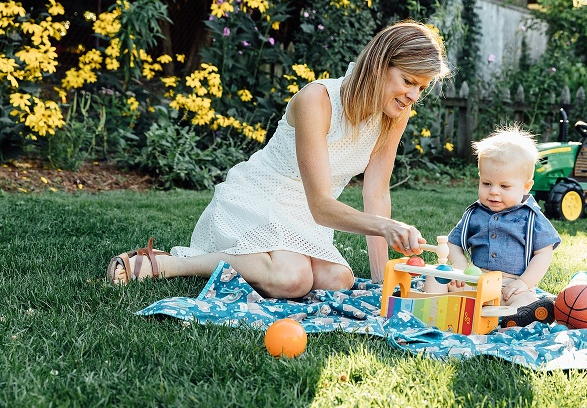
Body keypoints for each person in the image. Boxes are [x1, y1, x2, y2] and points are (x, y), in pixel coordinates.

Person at [107, 21, 451, 298]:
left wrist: (381, 284)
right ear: (379, 65)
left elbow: (376, 194)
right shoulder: (316, 100)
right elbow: (321, 205)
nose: (412, 96)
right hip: (260, 198)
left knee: (339, 280)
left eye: (421, 88)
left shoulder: (395, 114)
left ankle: (272, 264)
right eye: (407, 81)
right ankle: (170, 264)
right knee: (292, 279)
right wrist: (386, 228)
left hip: (306, 218)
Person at [423, 125, 561, 328]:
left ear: (526, 187)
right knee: (437, 277)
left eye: (504, 186)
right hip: (474, 281)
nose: (494, 192)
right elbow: (453, 244)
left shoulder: (531, 217)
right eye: (487, 184)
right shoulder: (475, 214)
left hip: (509, 286)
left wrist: (524, 283)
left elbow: (543, 253)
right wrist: (460, 269)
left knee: (525, 300)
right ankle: (433, 313)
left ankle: (513, 319)